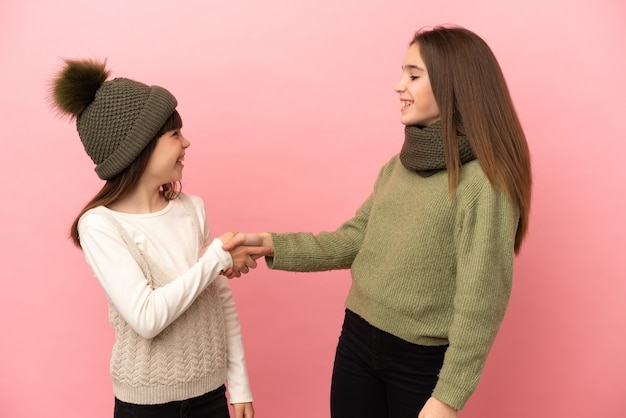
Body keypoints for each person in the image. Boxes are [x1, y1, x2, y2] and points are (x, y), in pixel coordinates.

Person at [223, 25, 532, 418]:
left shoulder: (485, 186)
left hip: (419, 363)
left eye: (414, 75)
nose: (398, 85)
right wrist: (271, 243)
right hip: (356, 339)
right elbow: (354, 240)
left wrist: (448, 398)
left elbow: (482, 301)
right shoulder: (400, 165)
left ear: (454, 83)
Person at [51, 58, 271, 418]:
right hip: (146, 407)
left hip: (211, 397)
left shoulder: (192, 209)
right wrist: (216, 257)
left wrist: (240, 385)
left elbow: (219, 299)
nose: (186, 142)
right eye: (174, 135)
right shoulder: (100, 226)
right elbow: (147, 318)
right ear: (139, 148)